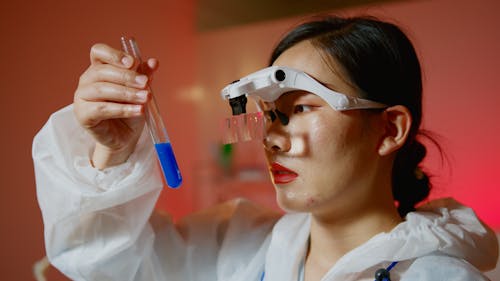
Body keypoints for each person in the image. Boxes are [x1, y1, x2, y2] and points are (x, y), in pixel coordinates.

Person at [33, 15, 498, 281]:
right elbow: (111, 264)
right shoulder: (241, 247)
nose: (272, 137)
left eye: (300, 109)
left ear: (390, 130)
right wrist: (110, 153)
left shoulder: (437, 277)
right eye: (270, 115)